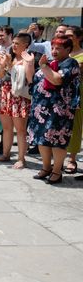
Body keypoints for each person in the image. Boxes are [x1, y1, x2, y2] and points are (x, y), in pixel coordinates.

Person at [27, 37, 80, 184]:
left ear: (68, 50)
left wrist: (44, 66)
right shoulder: (51, 63)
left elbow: (57, 79)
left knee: (58, 141)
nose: (54, 51)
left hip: (60, 110)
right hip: (42, 108)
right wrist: (31, 65)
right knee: (42, 139)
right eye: (53, 48)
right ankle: (46, 167)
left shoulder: (71, 63)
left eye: (58, 48)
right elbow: (34, 81)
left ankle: (57, 171)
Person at [0, 32, 32, 168]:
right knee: (6, 127)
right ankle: (6, 153)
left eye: (17, 43)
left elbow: (29, 79)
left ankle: (21, 158)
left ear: (25, 45)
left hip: (19, 96)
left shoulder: (28, 60)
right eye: (13, 43)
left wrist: (10, 65)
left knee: (20, 130)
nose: (13, 45)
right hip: (5, 93)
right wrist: (3, 64)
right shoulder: (10, 57)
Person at [65, 26, 83, 174]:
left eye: (70, 36)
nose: (67, 38)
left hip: (77, 94)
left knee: (75, 126)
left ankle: (72, 159)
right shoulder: (62, 53)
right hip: (60, 95)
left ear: (79, 38)